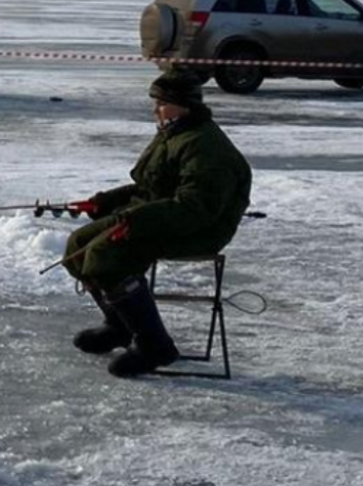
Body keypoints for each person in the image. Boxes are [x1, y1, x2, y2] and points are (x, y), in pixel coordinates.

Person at [61, 73, 252, 377]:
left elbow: (196, 208)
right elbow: (149, 189)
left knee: (105, 255)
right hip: (160, 215)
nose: (155, 110)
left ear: (184, 106)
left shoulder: (206, 147)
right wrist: (103, 202)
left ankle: (155, 345)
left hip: (199, 230)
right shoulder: (174, 133)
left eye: (162, 104)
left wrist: (135, 220)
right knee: (78, 245)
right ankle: (120, 325)